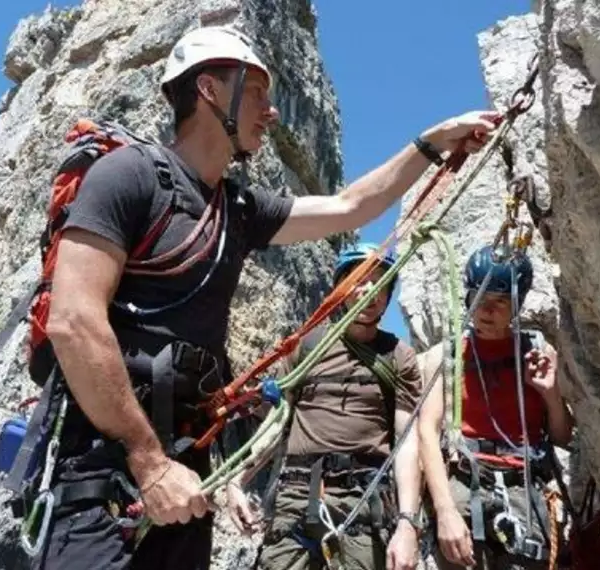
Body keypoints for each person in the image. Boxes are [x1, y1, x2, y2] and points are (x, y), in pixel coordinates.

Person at [33, 23, 500, 570]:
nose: (271, 111)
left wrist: (431, 143)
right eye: (256, 93)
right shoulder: (127, 177)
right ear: (209, 90)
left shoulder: (239, 209)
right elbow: (73, 320)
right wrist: (149, 463)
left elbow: (349, 208)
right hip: (105, 470)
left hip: (186, 465)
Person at [225, 243, 424, 570]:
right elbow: (278, 422)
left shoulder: (399, 357)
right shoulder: (306, 348)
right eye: (359, 278)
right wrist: (237, 480)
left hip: (363, 500)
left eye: (380, 282)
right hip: (298, 496)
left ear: (388, 296)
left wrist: (407, 524)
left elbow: (407, 442)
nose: (369, 290)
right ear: (340, 286)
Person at [418, 245, 574, 570]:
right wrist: (445, 511)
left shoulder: (536, 351)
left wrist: (550, 394)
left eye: (500, 302)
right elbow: (427, 435)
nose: (487, 310)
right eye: (481, 297)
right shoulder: (446, 357)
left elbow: (560, 435)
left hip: (525, 483)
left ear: (516, 305)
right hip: (465, 482)